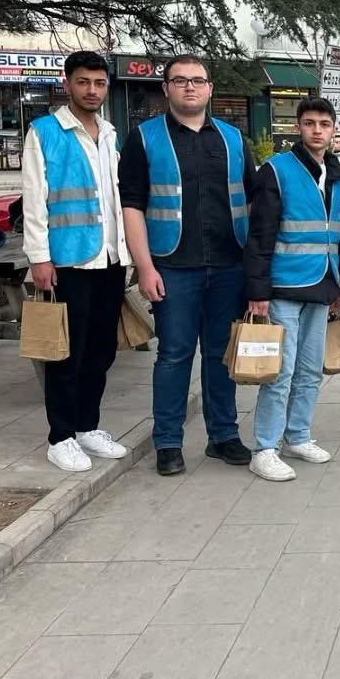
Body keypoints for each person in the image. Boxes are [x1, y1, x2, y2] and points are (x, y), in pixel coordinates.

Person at [120, 54, 256, 477]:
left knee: (220, 356)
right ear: (166, 89)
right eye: (180, 81)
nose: (190, 87)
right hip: (172, 267)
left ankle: (223, 436)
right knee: (174, 355)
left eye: (197, 80)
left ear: (210, 88)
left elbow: (253, 202)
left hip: (229, 266)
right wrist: (144, 267)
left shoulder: (233, 139)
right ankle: (167, 442)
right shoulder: (144, 138)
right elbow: (131, 206)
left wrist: (255, 270)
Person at [23, 51, 131, 472]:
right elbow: (35, 201)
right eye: (83, 82)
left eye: (99, 83)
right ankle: (61, 436)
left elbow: (116, 198)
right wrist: (39, 258)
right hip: (68, 261)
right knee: (66, 353)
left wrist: (126, 252)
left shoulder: (110, 133)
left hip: (109, 258)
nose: (92, 90)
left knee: (101, 351)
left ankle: (88, 426)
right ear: (67, 84)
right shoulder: (45, 132)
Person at [242, 97, 340, 482]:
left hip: (321, 284)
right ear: (298, 127)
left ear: (334, 129)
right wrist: (258, 291)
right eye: (309, 123)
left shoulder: (335, 173)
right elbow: (260, 234)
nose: (317, 130)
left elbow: (336, 233)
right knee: (279, 372)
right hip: (282, 286)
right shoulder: (277, 170)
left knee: (310, 370)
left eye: (324, 124)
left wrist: (337, 287)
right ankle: (265, 448)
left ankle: (297, 435)